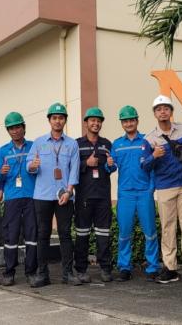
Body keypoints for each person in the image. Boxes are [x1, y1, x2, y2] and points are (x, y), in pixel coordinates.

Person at [142, 95, 182, 284]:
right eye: (159, 109)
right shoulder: (149, 138)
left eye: (166, 108)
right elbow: (144, 166)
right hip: (165, 187)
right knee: (168, 228)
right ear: (154, 113)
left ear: (171, 111)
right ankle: (170, 268)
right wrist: (154, 156)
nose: (163, 112)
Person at [27, 102, 81, 287]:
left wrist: (69, 191)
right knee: (43, 234)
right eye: (54, 118)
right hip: (42, 195)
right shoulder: (39, 142)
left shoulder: (72, 144)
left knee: (65, 234)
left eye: (61, 118)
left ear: (65, 120)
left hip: (64, 195)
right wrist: (32, 166)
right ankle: (43, 274)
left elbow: (74, 169)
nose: (58, 121)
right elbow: (29, 166)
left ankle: (68, 273)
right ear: (49, 120)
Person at [111, 106, 160, 282]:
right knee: (124, 232)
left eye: (131, 120)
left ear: (137, 121)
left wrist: (151, 187)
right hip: (125, 194)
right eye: (125, 121)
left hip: (144, 192)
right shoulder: (117, 144)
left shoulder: (147, 141)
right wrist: (108, 164)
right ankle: (124, 267)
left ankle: (153, 267)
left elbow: (154, 165)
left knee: (150, 231)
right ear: (121, 123)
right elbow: (111, 167)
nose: (129, 123)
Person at [0, 111, 37, 286]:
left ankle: (31, 272)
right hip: (12, 197)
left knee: (32, 235)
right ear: (8, 131)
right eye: (11, 128)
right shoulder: (3, 151)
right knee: (10, 235)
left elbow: (40, 169)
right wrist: (1, 172)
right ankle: (9, 272)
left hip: (31, 196)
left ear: (24, 128)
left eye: (18, 127)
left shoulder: (33, 146)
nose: (15, 131)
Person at [74, 107, 115, 283]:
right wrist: (86, 163)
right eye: (92, 120)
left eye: (98, 121)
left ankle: (105, 269)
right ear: (86, 123)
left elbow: (111, 168)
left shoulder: (107, 144)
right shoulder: (76, 144)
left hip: (103, 196)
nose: (96, 123)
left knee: (103, 234)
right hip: (83, 196)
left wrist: (111, 165)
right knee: (82, 235)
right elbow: (71, 168)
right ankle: (81, 270)